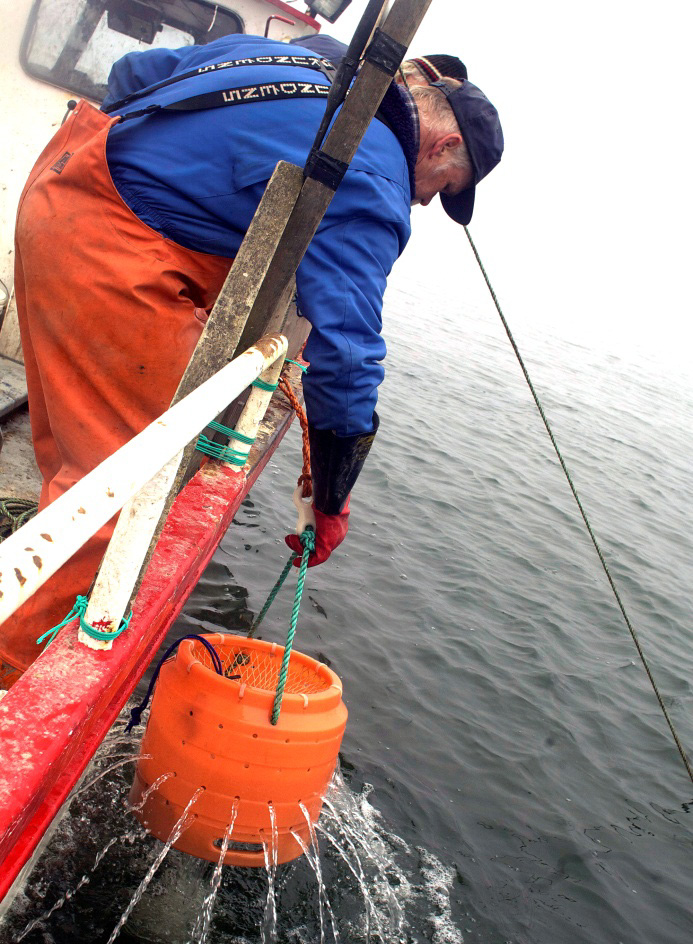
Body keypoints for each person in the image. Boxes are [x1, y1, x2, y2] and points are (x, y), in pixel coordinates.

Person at [0, 32, 502, 685]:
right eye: (442, 187)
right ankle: (15, 682)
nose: (426, 200)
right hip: (114, 253)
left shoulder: (304, 58)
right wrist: (331, 497)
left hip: (61, 181)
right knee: (117, 493)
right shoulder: (371, 172)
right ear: (441, 145)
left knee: (74, 448)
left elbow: (134, 72)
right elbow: (348, 355)